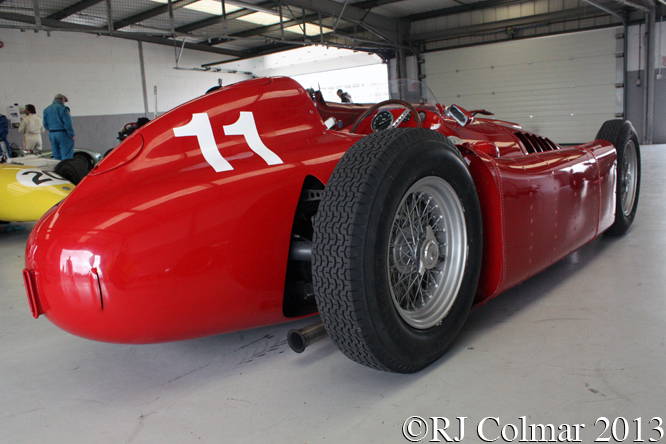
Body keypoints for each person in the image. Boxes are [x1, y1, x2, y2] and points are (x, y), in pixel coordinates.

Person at [43, 94, 75, 160]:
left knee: (56, 155)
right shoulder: (63, 108)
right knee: (66, 155)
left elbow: (45, 124)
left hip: (52, 134)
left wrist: (51, 129)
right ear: (62, 100)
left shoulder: (46, 109)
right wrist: (71, 135)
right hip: (63, 133)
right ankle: (66, 169)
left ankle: (58, 169)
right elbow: (68, 123)